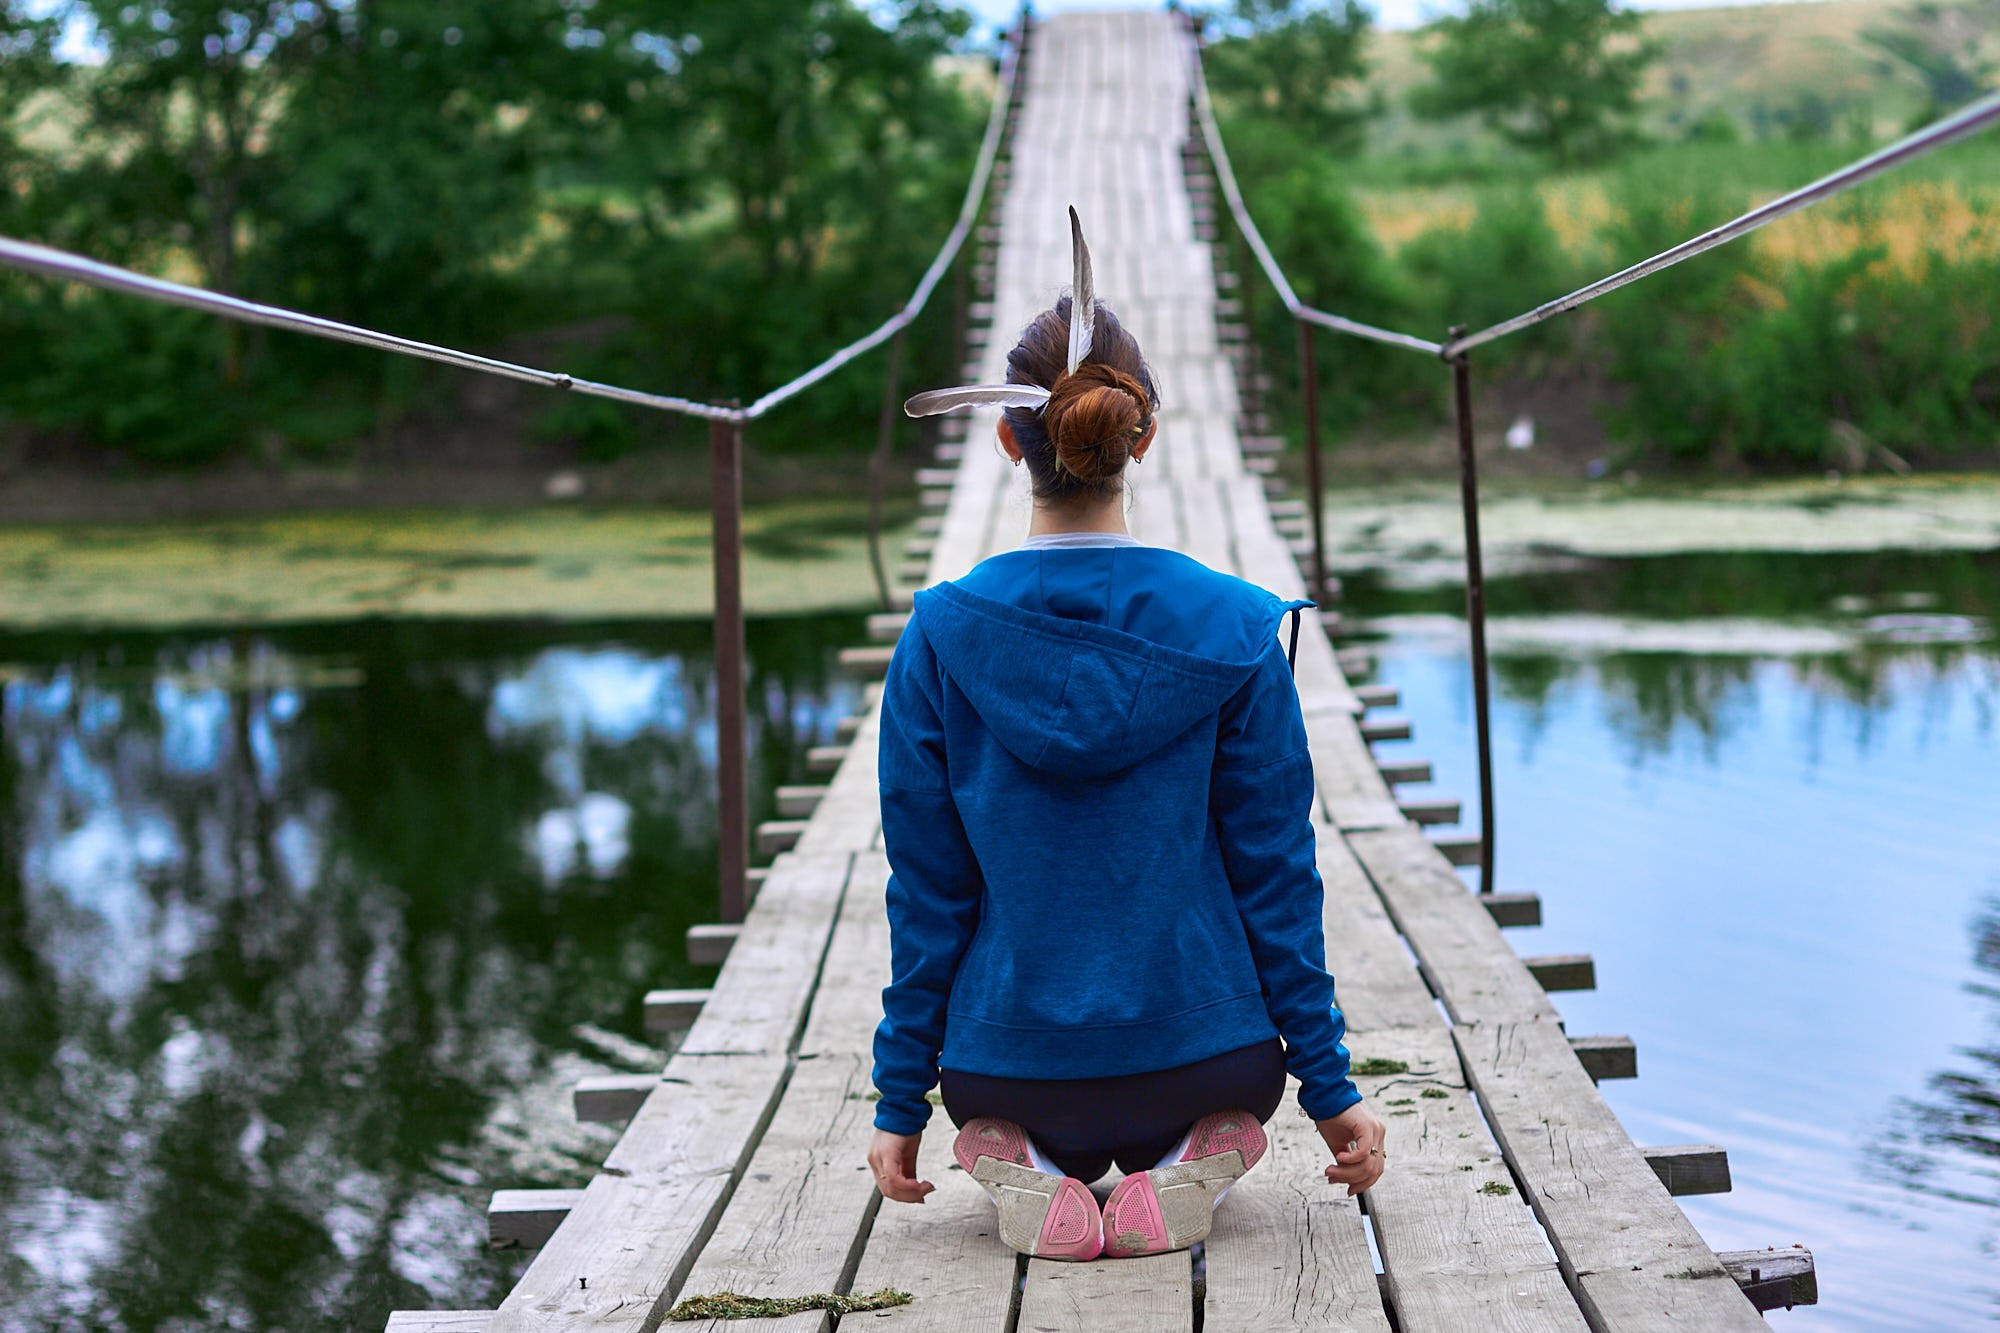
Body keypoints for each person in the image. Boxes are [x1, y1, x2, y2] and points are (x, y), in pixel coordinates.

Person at [865, 212, 1387, 1263]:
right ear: (1139, 437)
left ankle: (1019, 1153)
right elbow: (1275, 873)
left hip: (1000, 1062)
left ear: (1008, 439)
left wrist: (899, 1100)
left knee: (993, 1095)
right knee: (1228, 1080)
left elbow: (926, 892)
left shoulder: (938, 635)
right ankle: (1192, 1150)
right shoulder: (1239, 630)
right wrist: (1327, 1089)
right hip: (1208, 1055)